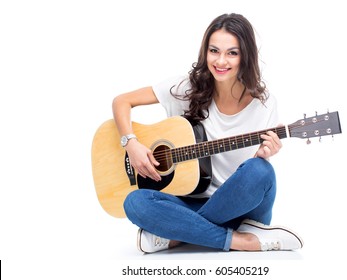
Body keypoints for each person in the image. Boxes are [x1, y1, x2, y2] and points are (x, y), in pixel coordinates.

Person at [112, 13, 303, 253]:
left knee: (260, 171)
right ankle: (240, 241)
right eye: (214, 51)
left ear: (246, 56)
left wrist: (263, 154)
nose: (221, 61)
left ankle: (177, 234)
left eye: (232, 53)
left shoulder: (264, 104)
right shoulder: (185, 88)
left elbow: (248, 182)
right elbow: (122, 101)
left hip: (239, 211)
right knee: (135, 202)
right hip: (188, 204)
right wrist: (131, 143)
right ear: (205, 52)